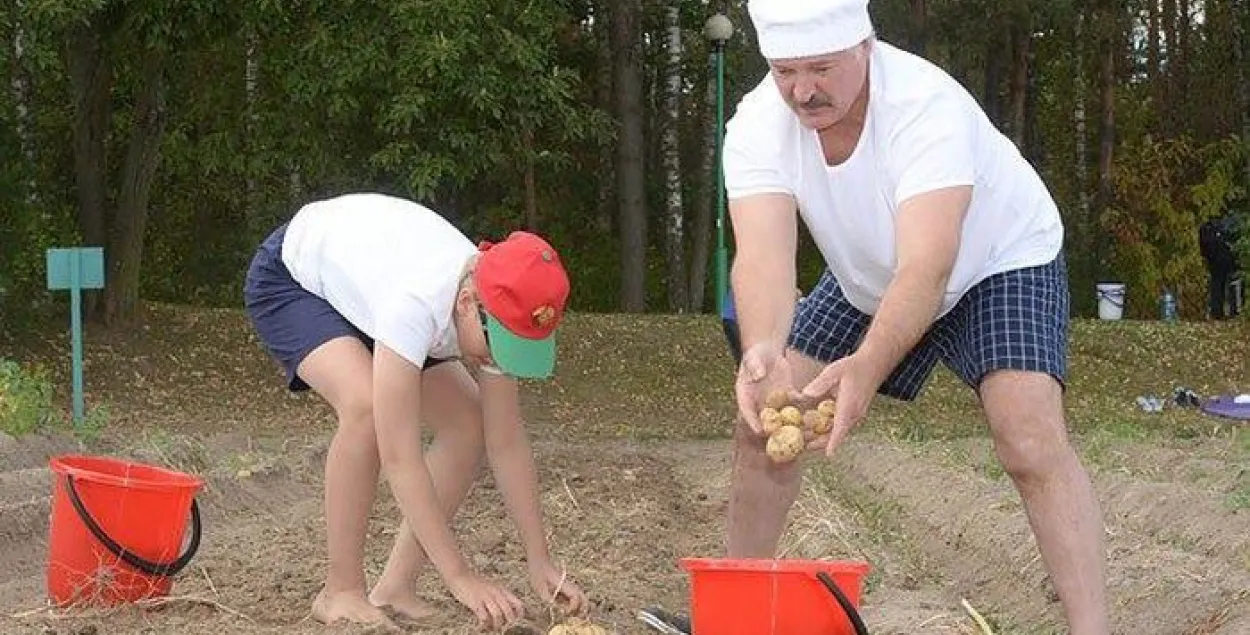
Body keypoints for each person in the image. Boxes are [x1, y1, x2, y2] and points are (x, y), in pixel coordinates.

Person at [720, 1, 1110, 634]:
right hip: (867, 277)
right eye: (785, 70)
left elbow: (927, 267)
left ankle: (1093, 630)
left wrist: (868, 368)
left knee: (1028, 436)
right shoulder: (758, 121)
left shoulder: (926, 109)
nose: (803, 90)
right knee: (765, 419)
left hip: (997, 260)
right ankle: (734, 619)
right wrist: (762, 345)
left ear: (864, 46)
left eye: (820, 67)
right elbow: (763, 256)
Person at [243, 192, 589, 632]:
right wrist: (459, 576)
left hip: (372, 288)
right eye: (499, 346)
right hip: (296, 281)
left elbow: (505, 440)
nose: (500, 359)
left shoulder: (496, 305)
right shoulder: (415, 304)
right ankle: (340, 590)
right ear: (469, 303)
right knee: (366, 409)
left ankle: (395, 589)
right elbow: (400, 457)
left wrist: (540, 561)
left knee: (468, 424)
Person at [1198, 207, 1242, 319]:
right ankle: (1233, 312)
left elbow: (1203, 247)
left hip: (1216, 259)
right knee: (1230, 283)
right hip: (1227, 258)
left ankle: (1217, 312)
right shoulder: (1233, 221)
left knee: (1217, 285)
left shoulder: (1207, 226)